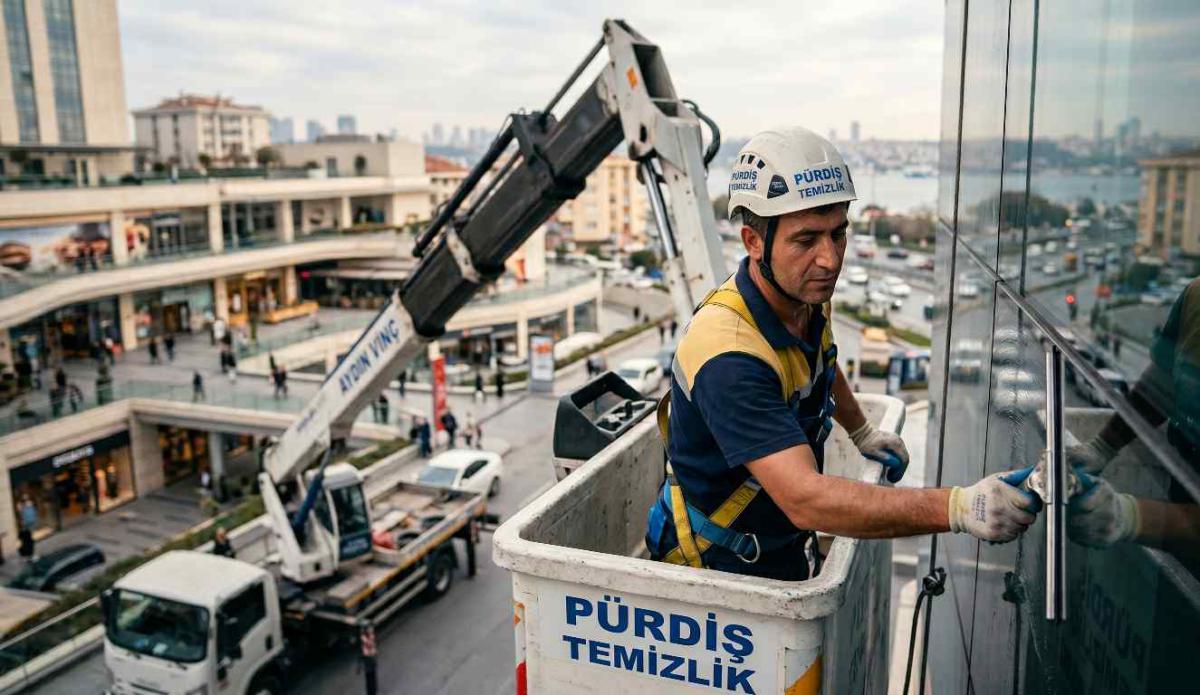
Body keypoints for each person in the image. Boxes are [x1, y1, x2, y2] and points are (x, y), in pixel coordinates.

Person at [644, 128, 1039, 580]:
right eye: (806, 239)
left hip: (773, 544)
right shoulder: (728, 356)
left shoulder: (802, 296)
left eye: (838, 234)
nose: (830, 260)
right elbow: (805, 499)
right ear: (754, 241)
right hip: (716, 573)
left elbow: (821, 362)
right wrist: (958, 507)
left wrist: (862, 430)